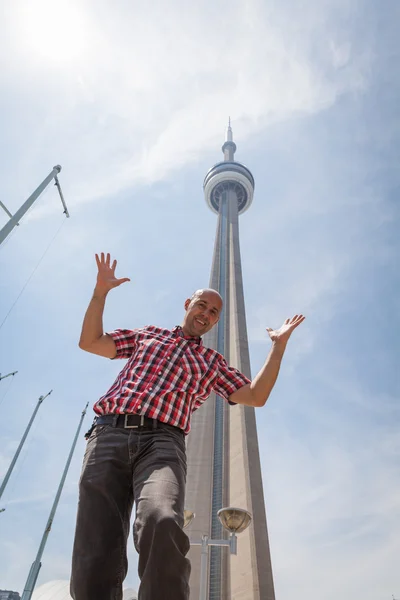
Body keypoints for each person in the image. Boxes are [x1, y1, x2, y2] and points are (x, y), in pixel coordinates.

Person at [70, 253, 305, 600]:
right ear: (188, 304)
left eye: (213, 313)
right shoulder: (147, 335)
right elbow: (90, 342)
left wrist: (278, 348)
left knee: (162, 519)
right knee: (96, 541)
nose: (206, 315)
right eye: (202, 305)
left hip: (162, 444)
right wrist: (100, 292)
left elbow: (255, 396)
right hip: (109, 434)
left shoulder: (211, 362)